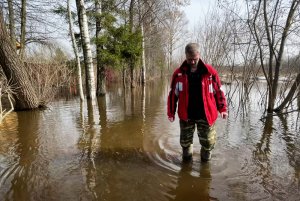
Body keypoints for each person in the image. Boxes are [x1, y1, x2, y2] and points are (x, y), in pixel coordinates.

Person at [167, 43, 228, 162]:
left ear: (199, 55)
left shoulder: (210, 72)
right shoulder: (179, 74)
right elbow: (173, 95)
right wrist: (171, 112)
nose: (192, 62)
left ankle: (205, 168)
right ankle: (186, 166)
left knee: (208, 143)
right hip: (186, 115)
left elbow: (219, 92)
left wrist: (223, 109)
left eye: (195, 59)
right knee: (185, 143)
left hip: (206, 115)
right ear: (186, 56)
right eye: (189, 59)